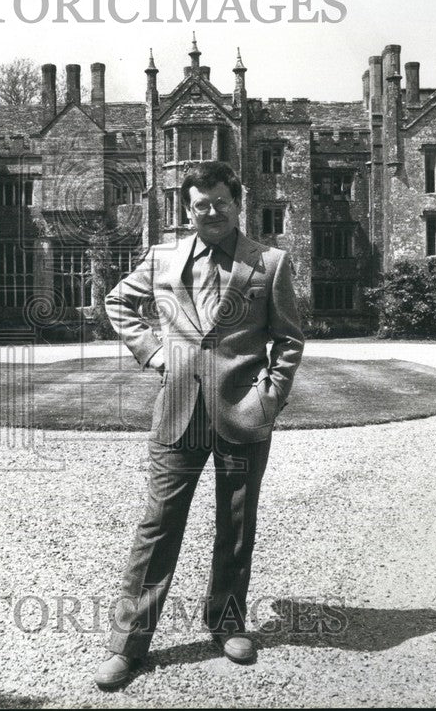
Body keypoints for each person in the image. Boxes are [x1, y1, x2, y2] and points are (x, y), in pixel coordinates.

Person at [95, 160, 305, 689]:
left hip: (243, 410)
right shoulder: (164, 257)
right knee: (158, 525)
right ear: (187, 209)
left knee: (236, 525)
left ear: (238, 204)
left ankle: (227, 622)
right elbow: (118, 301)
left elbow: (289, 340)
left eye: (220, 203)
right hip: (179, 408)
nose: (210, 212)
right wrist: (155, 352)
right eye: (199, 205)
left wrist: (270, 398)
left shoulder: (270, 262)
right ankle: (128, 643)